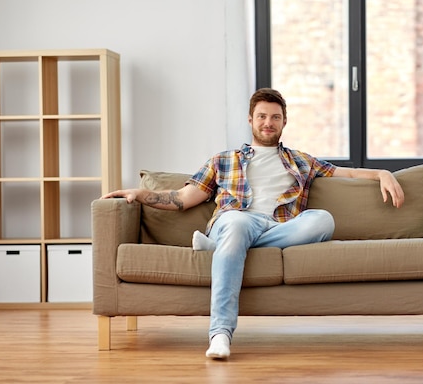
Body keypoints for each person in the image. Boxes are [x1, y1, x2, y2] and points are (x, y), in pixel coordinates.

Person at [101, 88, 405, 360]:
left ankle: (219, 249)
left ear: (284, 122)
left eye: (275, 117)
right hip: (237, 220)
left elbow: (347, 174)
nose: (268, 122)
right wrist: (141, 194)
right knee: (235, 225)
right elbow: (183, 198)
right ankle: (220, 333)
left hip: (281, 227)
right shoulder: (224, 160)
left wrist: (382, 174)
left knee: (322, 219)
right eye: (261, 116)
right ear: (250, 120)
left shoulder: (301, 160)